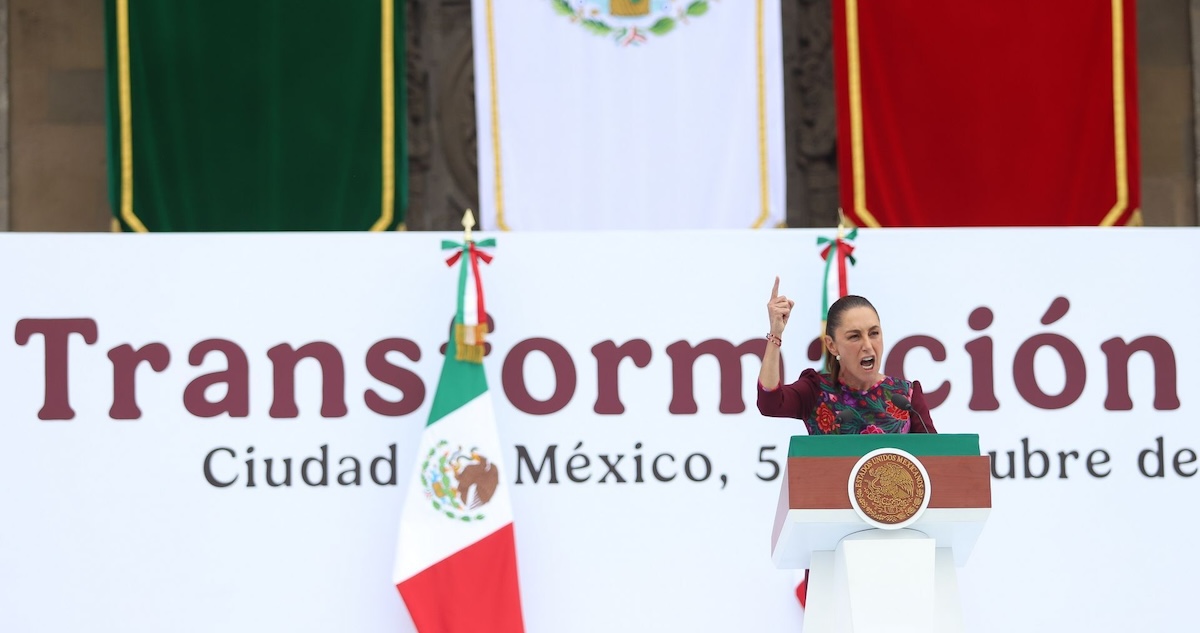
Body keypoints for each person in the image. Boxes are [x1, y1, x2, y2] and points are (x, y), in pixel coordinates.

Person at [756, 277, 936, 434]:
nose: (867, 346)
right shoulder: (816, 390)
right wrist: (776, 334)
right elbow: (769, 403)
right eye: (855, 336)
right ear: (832, 346)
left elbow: (936, 456)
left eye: (874, 333)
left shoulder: (906, 396)